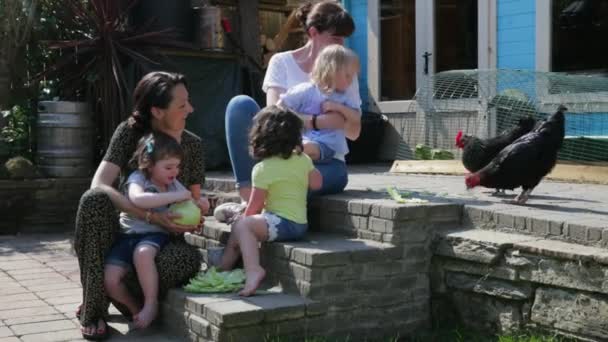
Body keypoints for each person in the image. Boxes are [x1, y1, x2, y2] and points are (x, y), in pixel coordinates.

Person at [74, 71, 209, 340]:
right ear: (157, 111)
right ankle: (95, 306)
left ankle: (122, 295)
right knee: (93, 202)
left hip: (162, 241)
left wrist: (195, 217)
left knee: (186, 261)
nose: (190, 110)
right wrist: (149, 216)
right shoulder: (129, 133)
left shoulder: (192, 145)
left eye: (188, 102)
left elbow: (194, 199)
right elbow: (99, 184)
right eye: (182, 105)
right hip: (126, 229)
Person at [216, 0, 360, 221]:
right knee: (240, 105)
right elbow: (274, 119)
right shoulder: (281, 62)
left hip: (327, 161)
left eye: (344, 39)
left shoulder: (345, 71)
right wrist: (317, 121)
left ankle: (255, 211)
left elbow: (353, 132)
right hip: (281, 151)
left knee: (307, 179)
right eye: (336, 37)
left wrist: (337, 116)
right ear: (313, 32)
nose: (342, 45)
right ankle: (248, 200)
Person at [219, 105, 322, 296]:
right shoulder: (303, 159)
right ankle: (222, 268)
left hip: (282, 224)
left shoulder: (262, 169)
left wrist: (244, 220)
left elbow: (255, 207)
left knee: (242, 225)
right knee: (240, 227)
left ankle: (253, 270)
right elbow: (317, 183)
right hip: (299, 224)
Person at [104, 132, 196, 329]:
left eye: (177, 166)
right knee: (110, 280)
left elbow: (189, 200)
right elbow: (138, 199)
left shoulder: (172, 183)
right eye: (169, 167)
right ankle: (135, 310)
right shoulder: (138, 178)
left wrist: (200, 204)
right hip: (127, 236)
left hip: (154, 233)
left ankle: (151, 303)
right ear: (150, 164)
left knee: (143, 254)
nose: (175, 172)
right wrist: (174, 197)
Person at [277, 44, 360, 164]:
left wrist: (338, 107)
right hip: (301, 138)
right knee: (300, 146)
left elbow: (355, 118)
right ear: (331, 71)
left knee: (308, 148)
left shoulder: (343, 98)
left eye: (353, 76)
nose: (351, 80)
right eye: (347, 75)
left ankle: (289, 156)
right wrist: (296, 119)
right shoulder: (305, 90)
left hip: (327, 146)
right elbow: (280, 106)